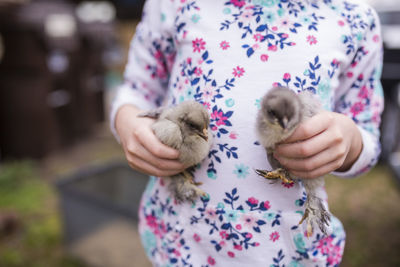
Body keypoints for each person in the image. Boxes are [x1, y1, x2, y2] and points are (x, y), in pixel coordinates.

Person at [110, 0, 384, 266]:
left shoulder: (355, 18)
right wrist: (128, 123)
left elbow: (367, 133)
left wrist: (350, 141)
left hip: (287, 248)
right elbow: (138, 88)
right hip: (182, 242)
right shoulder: (175, 3)